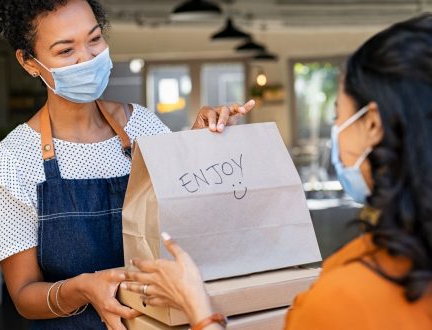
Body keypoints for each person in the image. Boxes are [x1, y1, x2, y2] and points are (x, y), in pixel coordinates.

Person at [122, 13, 432, 330]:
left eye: (339, 114)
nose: (336, 128)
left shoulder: (344, 300)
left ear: (372, 124)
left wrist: (198, 307)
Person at [0, 1, 255, 329]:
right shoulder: (13, 163)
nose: (87, 59)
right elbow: (23, 295)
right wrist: (82, 289)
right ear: (29, 62)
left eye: (94, 40)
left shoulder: (142, 127)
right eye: (65, 51)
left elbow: (182, 208)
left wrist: (199, 142)